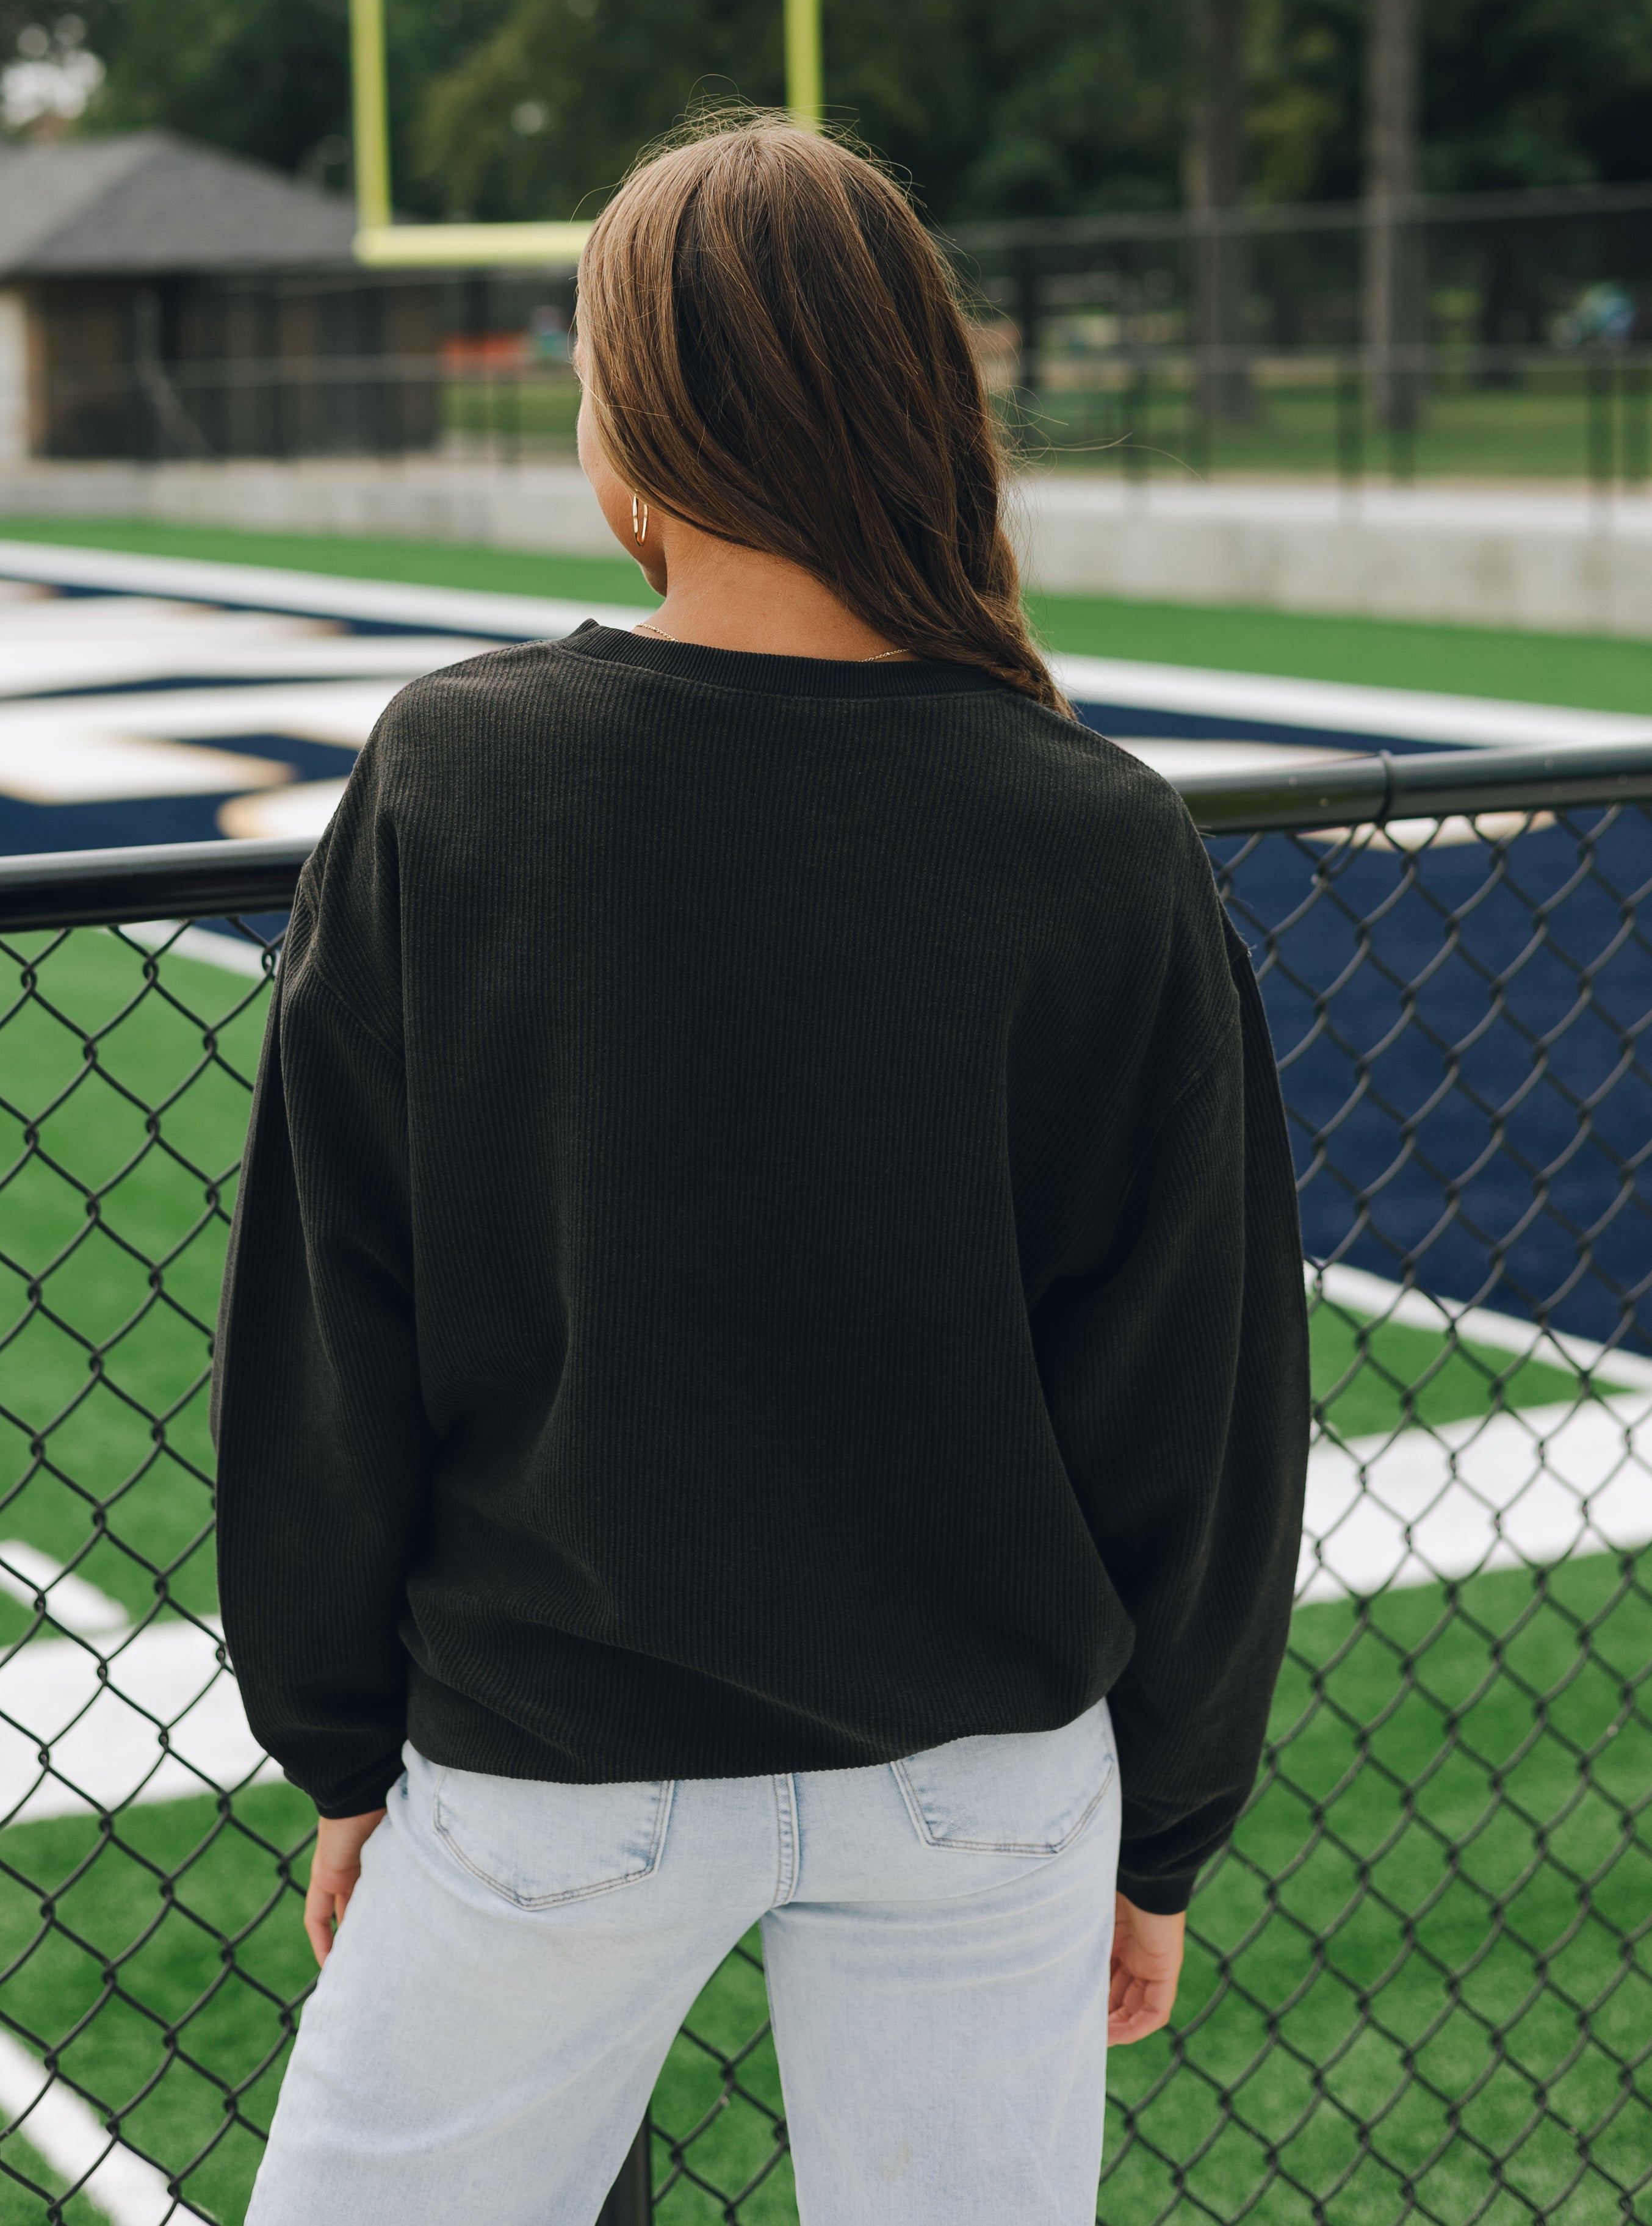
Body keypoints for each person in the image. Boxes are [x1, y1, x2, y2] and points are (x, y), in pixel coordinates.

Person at [213, 118, 1308, 2225]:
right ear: (923, 397)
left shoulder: (457, 774)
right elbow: (1202, 1400)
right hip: (989, 1781)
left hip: (553, 1760)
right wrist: (1155, 1823)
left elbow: (333, 1314)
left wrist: (345, 1744)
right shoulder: (1096, 827)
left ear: (627, 414)